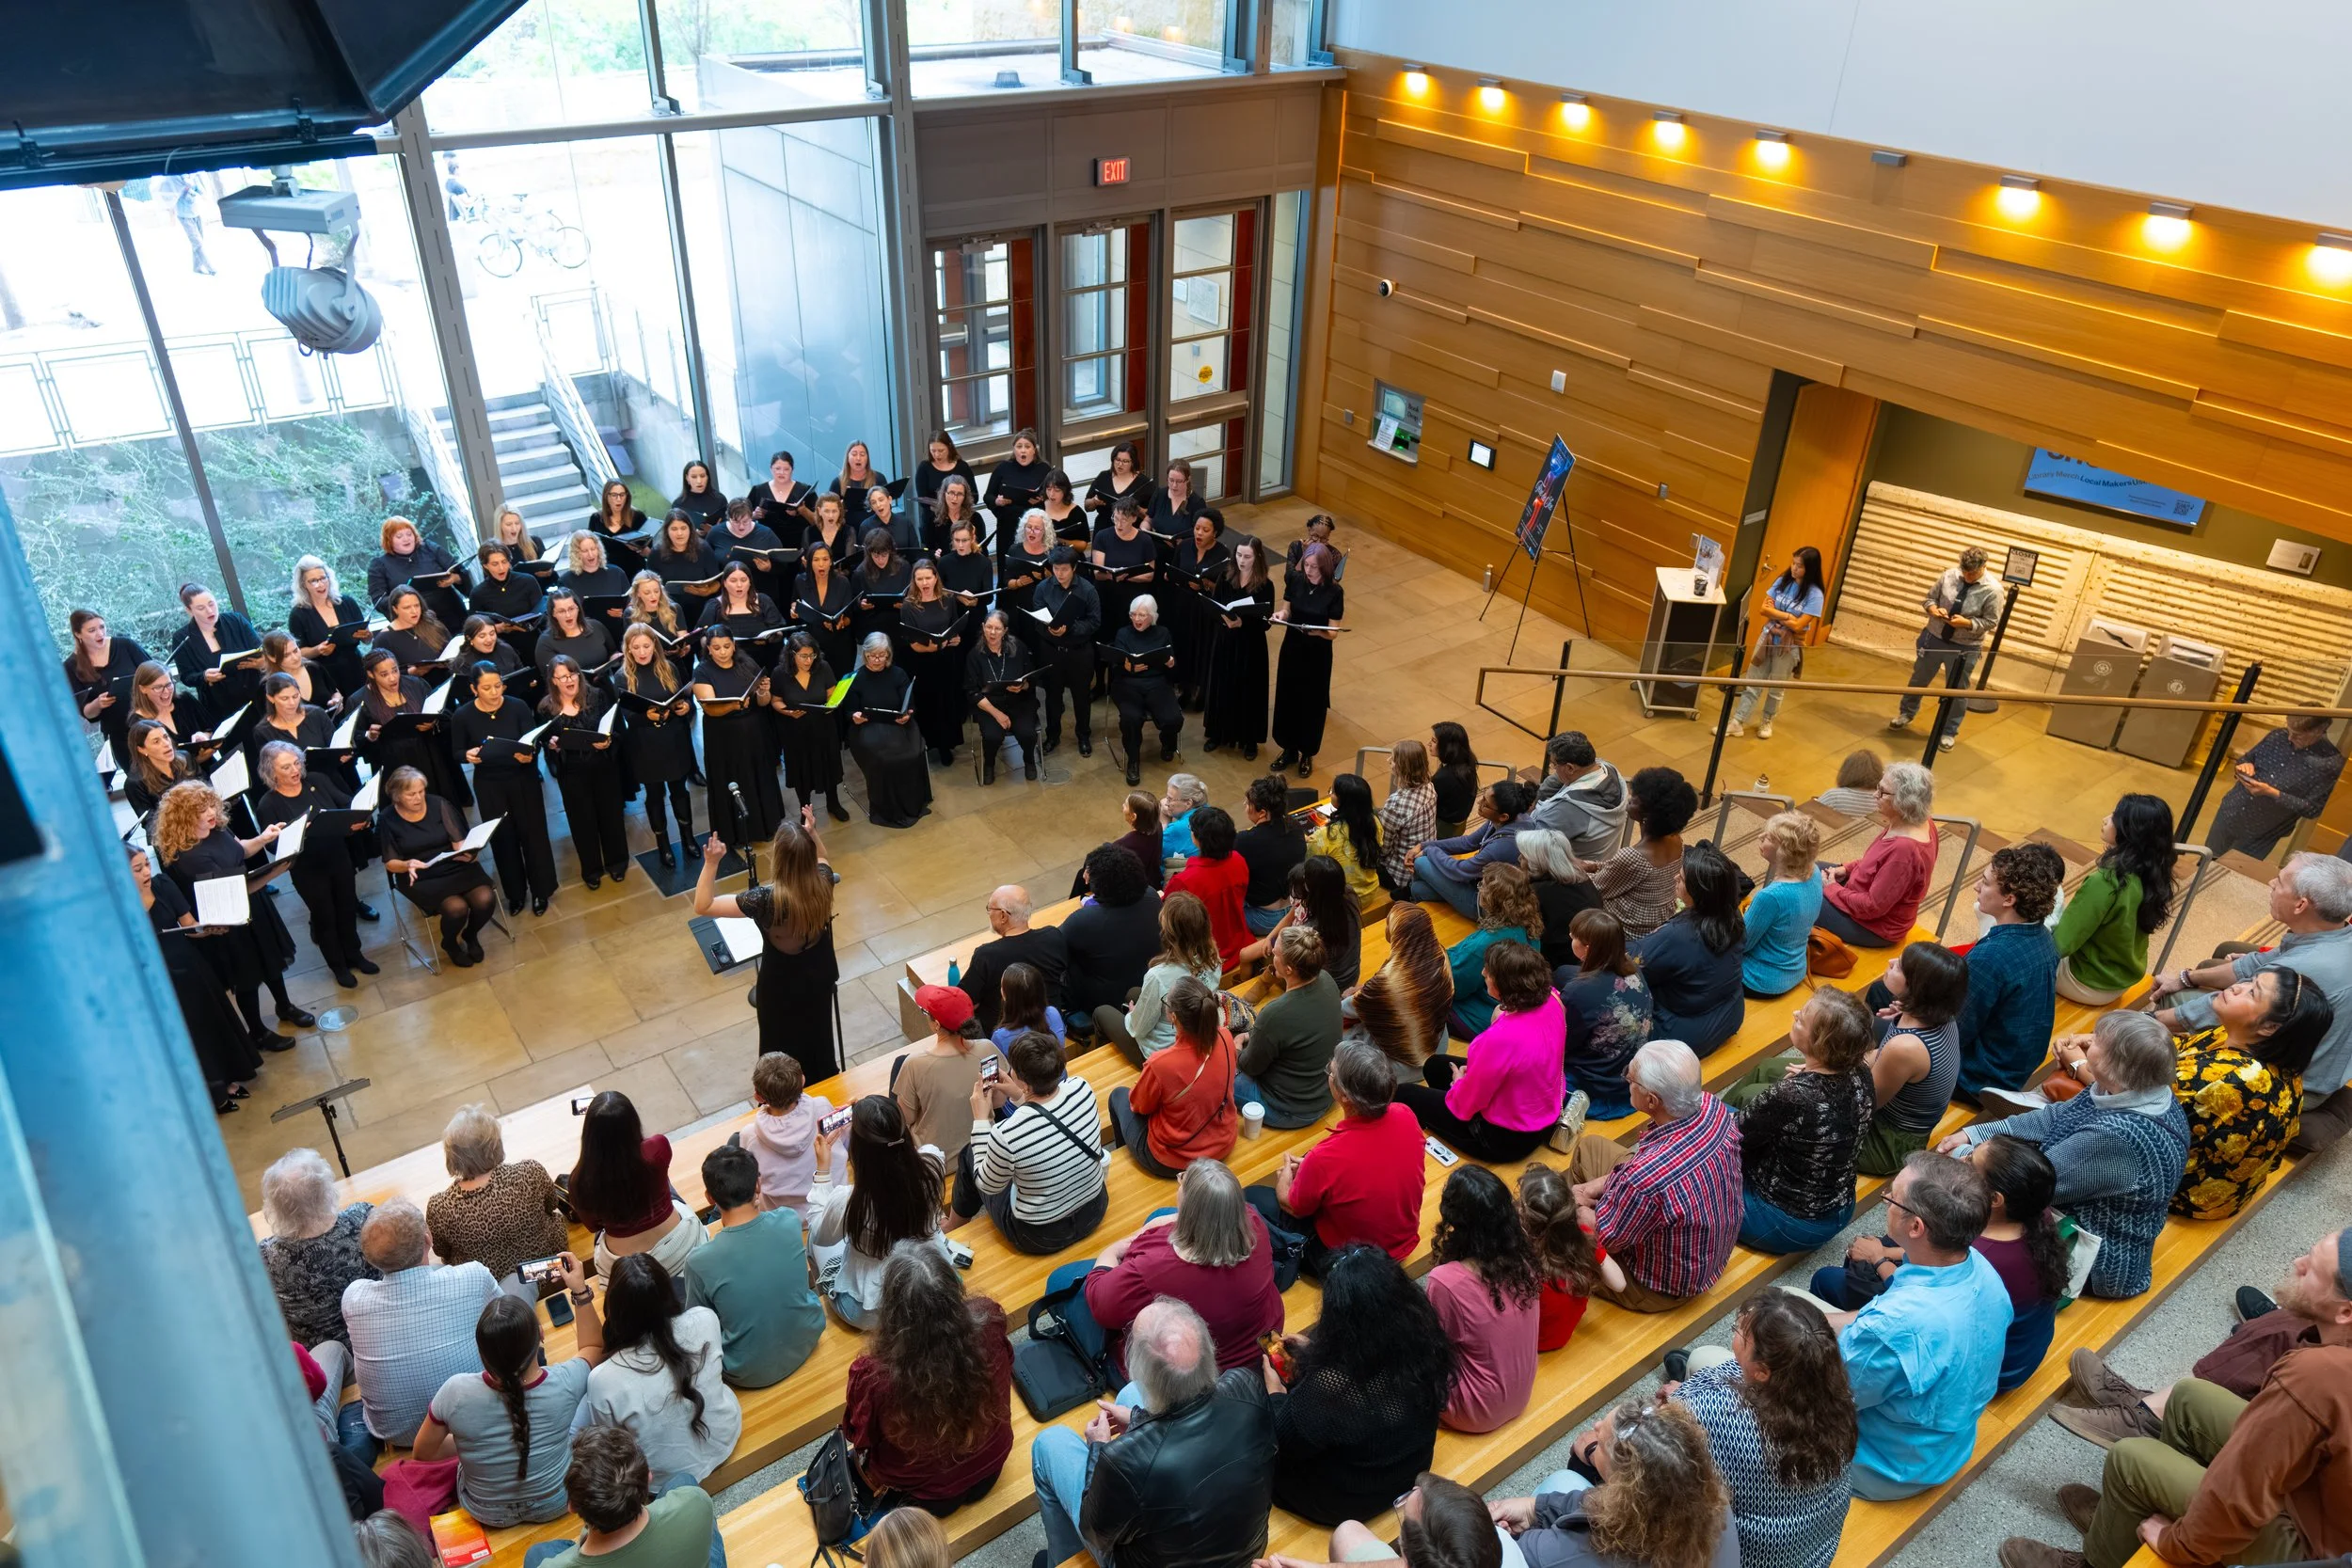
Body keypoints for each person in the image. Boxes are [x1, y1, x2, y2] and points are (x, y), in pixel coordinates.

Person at [1995, 1227, 2352, 1568]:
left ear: (2345, 1312)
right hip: (2315, 1500)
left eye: (2312, 1269)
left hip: (2313, 1552)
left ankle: (2101, 1559)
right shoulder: (2331, 1356)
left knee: (2132, 1458)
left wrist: (2175, 1542)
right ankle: (2124, 1519)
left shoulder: (2314, 1376)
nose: (2297, 1264)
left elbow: (2240, 1502)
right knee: (2189, 1398)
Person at [1945, 1010, 2187, 1297]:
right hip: (2068, 1181)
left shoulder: (2113, 1137)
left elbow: (2032, 1189)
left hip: (2095, 1259)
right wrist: (1976, 1133)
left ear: (2113, 1064)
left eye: (2099, 1040)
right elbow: (2055, 1117)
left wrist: (1967, 1154)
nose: (2089, 1041)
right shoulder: (2136, 1090)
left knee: (1954, 1188)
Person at [1819, 1151, 2010, 1501]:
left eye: (1891, 1196)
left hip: (1882, 1466)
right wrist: (1815, 1324)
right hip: (1942, 1448)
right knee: (1796, 1306)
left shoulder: (1896, 1326)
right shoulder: (1981, 1270)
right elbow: (1875, 1324)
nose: (1886, 1202)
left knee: (1712, 1368)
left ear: (1916, 1227)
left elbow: (1831, 1399)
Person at [1028, 1298, 1277, 1568]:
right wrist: (1139, 1419)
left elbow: (1094, 1533)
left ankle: (1058, 1562)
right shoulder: (1247, 1385)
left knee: (1049, 1443)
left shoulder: (1120, 1460)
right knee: (1130, 1394)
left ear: (1138, 1368)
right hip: (1245, 1552)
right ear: (1209, 1348)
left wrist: (1099, 1450)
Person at [1817, 1135, 2068, 1397]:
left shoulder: (1983, 1257)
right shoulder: (2031, 1214)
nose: (1961, 1160)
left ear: (1995, 1199)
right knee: (1889, 1241)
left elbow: (1923, 1295)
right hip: (2014, 1348)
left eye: (1971, 1163)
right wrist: (1886, 1250)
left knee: (1828, 1280)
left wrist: (1878, 1258)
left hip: (1996, 1369)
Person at [2153, 851, 2352, 1156]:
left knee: (2175, 1004)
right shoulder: (2337, 933)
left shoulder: (2308, 969)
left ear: (2301, 905)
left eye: (2282, 881)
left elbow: (2216, 1009)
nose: (2272, 882)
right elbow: (2260, 963)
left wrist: (2152, 1020)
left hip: (2299, 1079)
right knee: (2218, 961)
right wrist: (2186, 976)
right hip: (2316, 1054)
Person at [1265, 1243, 1454, 1527]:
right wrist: (1315, 1350)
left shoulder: (1331, 1385)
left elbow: (1284, 1442)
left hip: (1344, 1502)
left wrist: (1275, 1394)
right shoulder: (1424, 1342)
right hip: (1410, 1470)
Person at [1661, 1294, 1856, 1568]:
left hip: (1749, 1558)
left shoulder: (1718, 1413)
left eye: (1740, 1333)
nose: (1737, 1330)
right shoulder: (1839, 1396)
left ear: (1763, 1372)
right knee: (1702, 1358)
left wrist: (1679, 1396)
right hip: (1815, 1554)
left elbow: (1658, 1434)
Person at [402, 1279, 604, 1528]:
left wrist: (471, 1440)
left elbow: (423, 1453)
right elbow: (594, 1346)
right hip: (556, 1502)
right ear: (541, 1335)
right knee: (589, 1397)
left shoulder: (454, 1392)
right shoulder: (566, 1381)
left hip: (485, 1510)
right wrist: (581, 1293)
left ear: (480, 1352)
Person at [1061, 1159, 1283, 1380]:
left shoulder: (1153, 1269)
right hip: (1258, 1346)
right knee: (1158, 1215)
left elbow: (1102, 1307)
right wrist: (1156, 1225)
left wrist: (1111, 1250)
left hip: (1193, 1377)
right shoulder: (1254, 1223)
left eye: (1181, 1182)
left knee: (1061, 1280)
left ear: (1189, 1208)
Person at [841, 1242, 1015, 1516]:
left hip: (927, 1495)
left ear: (891, 1310)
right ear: (954, 1289)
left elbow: (859, 1436)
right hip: (991, 1465)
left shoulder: (875, 1376)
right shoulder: (990, 1320)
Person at [1568, 1040, 1743, 1311]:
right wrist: (1595, 1186)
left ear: (1652, 1100)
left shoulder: (1643, 1180)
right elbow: (1648, 1168)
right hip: (1710, 1258)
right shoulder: (1712, 1107)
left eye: (1631, 1079)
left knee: (1562, 1232)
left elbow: (1608, 1240)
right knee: (1592, 1148)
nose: (1627, 1079)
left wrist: (1577, 1208)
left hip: (1661, 1286)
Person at [1248, 1040, 1426, 1276]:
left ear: (1344, 1096)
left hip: (1348, 1264)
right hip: (1399, 1247)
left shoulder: (1325, 1157)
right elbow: (1367, 1170)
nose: (1329, 1074)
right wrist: (1312, 1170)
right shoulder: (1405, 1115)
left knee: (1251, 1196)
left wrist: (1284, 1178)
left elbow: (1293, 1206)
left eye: (1331, 1073)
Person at [151, 782, 312, 1041]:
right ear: (183, 816)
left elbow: (241, 849)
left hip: (253, 901)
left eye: (209, 805)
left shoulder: (217, 828)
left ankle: (285, 1006)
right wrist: (277, 870)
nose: (210, 812)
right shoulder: (189, 856)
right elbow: (235, 888)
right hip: (229, 913)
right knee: (247, 975)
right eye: (201, 810)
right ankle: (257, 1032)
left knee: (270, 959)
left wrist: (264, 838)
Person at [1492, 1400, 1738, 1568]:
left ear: (1624, 1485)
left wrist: (1498, 1534)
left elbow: (1512, 1554)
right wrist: (1533, 1508)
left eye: (1599, 1443)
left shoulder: (1574, 1553)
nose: (1596, 1427)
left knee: (1560, 1480)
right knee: (1563, 1484)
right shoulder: (1712, 1501)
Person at [2169, 968, 2330, 1219]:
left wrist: (2083, 1062)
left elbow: (2133, 1101)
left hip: (2192, 1193)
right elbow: (2178, 1049)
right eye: (2249, 982)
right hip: (2229, 1177)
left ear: (2269, 1026)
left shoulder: (2229, 1080)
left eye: (2253, 993)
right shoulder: (2250, 1040)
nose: (2237, 987)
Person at [692, 813, 842, 1083]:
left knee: (779, 1046)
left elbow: (703, 904)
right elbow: (823, 858)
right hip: (819, 972)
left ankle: (780, 1092)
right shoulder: (824, 880)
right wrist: (813, 833)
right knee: (818, 1035)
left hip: (781, 985)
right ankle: (824, 1082)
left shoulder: (763, 900)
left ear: (779, 859)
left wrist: (711, 862)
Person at [1730, 989, 1879, 1254]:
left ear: (1821, 1043)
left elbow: (1732, 1137)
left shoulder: (1792, 1096)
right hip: (1840, 1205)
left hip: (1788, 1221)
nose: (1795, 1014)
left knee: (1694, 1175)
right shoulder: (1861, 1071)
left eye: (1802, 1020)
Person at [341, 1200, 500, 1445]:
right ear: (428, 1240)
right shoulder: (473, 1277)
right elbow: (508, 1318)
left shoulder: (353, 1298)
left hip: (397, 1436)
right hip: (475, 1421)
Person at [578, 1252, 741, 1486]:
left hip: (663, 1478)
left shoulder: (603, 1380)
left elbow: (615, 1443)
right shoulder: (705, 1318)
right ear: (668, 1291)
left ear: (614, 1308)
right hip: (725, 1434)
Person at [1400, 941, 1565, 1162]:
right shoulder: (1553, 999)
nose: (1483, 972)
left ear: (1504, 985)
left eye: (1489, 973)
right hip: (1541, 1111)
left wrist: (1459, 1084)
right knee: (1435, 1066)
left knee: (1404, 1093)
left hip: (1503, 1138)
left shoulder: (1498, 1039)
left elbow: (1466, 1104)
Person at [954, 1027, 1111, 1252]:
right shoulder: (1081, 1088)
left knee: (970, 1154)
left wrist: (981, 1120)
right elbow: (1047, 1114)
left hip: (1040, 1236)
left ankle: (953, 1226)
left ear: (1025, 1082)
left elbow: (987, 1184)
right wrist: (1018, 1094)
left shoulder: (1006, 1133)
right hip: (1094, 1209)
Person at [681, 1145, 823, 1389]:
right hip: (808, 1337)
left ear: (710, 1198)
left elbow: (699, 1326)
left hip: (745, 1371)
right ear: (758, 1185)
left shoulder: (699, 1261)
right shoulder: (788, 1220)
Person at [807, 1096, 953, 1329]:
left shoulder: (849, 1200)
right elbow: (914, 1153)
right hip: (933, 1284)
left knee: (815, 1236)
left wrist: (823, 1170)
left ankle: (820, 1298)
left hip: (871, 1312)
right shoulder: (933, 1165)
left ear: (858, 1151)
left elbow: (821, 1233)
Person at [1427, 1164, 1545, 1433]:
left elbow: (1431, 1348)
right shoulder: (1524, 1257)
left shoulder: (1446, 1282)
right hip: (1519, 1395)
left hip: (1474, 1410)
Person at [251, 739, 373, 989]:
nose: (295, 771)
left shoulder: (317, 780)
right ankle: (338, 965)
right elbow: (273, 846)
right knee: (325, 916)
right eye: (286, 767)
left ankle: (355, 954)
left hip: (338, 855)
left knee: (348, 907)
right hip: (307, 869)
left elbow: (347, 803)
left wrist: (361, 818)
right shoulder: (268, 804)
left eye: (296, 763)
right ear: (271, 772)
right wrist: (297, 833)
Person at [520, 1425, 723, 1568]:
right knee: (684, 1480)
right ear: (648, 1478)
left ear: (571, 1506)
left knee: (536, 1555)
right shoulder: (696, 1502)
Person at [1952, 844, 2065, 1100]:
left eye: (1984, 882)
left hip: (1978, 1077)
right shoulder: (2043, 936)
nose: (1976, 887)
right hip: (2013, 1069)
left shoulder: (1990, 957)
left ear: (2009, 899)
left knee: (1881, 1016)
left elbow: (1953, 1031)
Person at [448, 661, 559, 916]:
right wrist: (468, 754)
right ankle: (516, 894)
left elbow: (533, 741)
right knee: (503, 839)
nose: (494, 692)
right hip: (490, 784)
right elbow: (456, 752)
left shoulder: (518, 706)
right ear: (474, 689)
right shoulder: (463, 715)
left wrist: (529, 755)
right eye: (487, 688)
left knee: (534, 835)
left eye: (498, 685)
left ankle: (541, 891)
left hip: (522, 779)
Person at [1849, 939, 1968, 1174]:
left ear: (1917, 987)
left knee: (1772, 1100)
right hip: (1888, 1116)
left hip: (1887, 1142)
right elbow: (1877, 1057)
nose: (1891, 962)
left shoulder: (1905, 1048)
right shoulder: (1939, 1016)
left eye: (1900, 966)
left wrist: (1818, 1075)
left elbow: (1861, 1105)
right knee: (1772, 1072)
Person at [425, 1104, 567, 1289]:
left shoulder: (440, 1207)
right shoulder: (530, 1172)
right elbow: (551, 1204)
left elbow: (441, 1250)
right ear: (495, 1145)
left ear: (453, 1156)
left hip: (488, 1286)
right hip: (544, 1270)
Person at [568, 1090, 707, 1280]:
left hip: (625, 1270)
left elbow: (593, 1226)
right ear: (633, 1122)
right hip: (682, 1244)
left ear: (590, 1134)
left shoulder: (579, 1181)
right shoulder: (658, 1147)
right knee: (662, 1179)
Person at [1109, 976, 1239, 1178]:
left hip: (1175, 1160)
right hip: (1222, 1144)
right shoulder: (1225, 1037)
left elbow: (1138, 1106)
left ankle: (1126, 1167)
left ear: (1174, 1018)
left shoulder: (1161, 1063)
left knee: (1118, 1096)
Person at [2056, 794, 2179, 1005]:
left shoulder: (2105, 882)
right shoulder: (2152, 872)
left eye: (2115, 816)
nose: (2106, 819)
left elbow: (2060, 945)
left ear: (2130, 830)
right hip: (2118, 981)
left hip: (2084, 981)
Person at [374, 765, 498, 966]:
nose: (418, 797)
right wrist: (407, 864)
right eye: (411, 794)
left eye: (421, 791)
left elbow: (458, 842)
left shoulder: (438, 804)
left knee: (485, 899)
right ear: (397, 796)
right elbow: (391, 863)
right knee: (456, 908)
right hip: (419, 874)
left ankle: (470, 934)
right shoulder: (388, 818)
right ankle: (450, 943)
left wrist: (468, 853)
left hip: (453, 863)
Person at [1630, 844, 1746, 1056]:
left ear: (1698, 893)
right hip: (1729, 1013)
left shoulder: (1678, 935)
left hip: (1683, 1034)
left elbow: (1630, 964)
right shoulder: (1732, 917)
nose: (1675, 878)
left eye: (1682, 878)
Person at [1888, 546, 2002, 752]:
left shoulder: (1993, 590)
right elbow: (1929, 599)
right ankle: (1906, 713)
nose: (1967, 576)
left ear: (1984, 567)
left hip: (1965, 646)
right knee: (1918, 679)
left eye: (1973, 573)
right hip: (1934, 637)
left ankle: (1949, 731)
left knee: (1957, 691)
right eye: (1965, 571)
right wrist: (1933, 609)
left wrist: (1967, 624)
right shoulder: (1949, 575)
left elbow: (1991, 621)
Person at [260, 1148, 378, 1347]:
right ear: (326, 1189)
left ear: (276, 1207)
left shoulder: (266, 1256)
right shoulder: (364, 1218)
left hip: (320, 1358)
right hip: (377, 1339)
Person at [1817, 760, 1937, 947]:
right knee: (1808, 868)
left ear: (1903, 802)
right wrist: (1846, 869)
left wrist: (1832, 888)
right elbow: (1876, 863)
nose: (1875, 795)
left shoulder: (1904, 849)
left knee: (1800, 896)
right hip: (1860, 899)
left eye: (1882, 792)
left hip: (1871, 927)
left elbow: (1872, 907)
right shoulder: (1918, 821)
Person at [1095, 889, 1223, 1064]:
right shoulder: (1213, 957)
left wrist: (1133, 1015)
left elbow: (1138, 1029)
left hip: (1162, 1054)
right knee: (1134, 992)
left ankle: (1103, 1068)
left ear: (1169, 934)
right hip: (1195, 1029)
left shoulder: (1159, 976)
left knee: (1101, 1012)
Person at [1235, 926, 1344, 1126]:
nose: (1271, 956)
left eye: (1275, 954)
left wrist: (1236, 1046)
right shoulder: (1327, 981)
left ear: (1288, 969)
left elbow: (1250, 1066)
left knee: (1221, 1070)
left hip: (1288, 1109)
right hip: (1326, 1093)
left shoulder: (1275, 1013)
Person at [537, 653, 629, 890]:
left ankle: (617, 861)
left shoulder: (597, 696)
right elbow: (545, 742)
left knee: (610, 815)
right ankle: (591, 869)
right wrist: (553, 745)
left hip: (603, 765)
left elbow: (614, 728)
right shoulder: (546, 708)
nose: (569, 680)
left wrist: (607, 741)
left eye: (572, 674)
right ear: (553, 681)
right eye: (562, 677)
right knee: (582, 821)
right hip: (573, 772)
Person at [2204, 713, 2347, 862]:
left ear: (2318, 731)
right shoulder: (2278, 736)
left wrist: (2272, 793)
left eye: (2297, 735)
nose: (2290, 738)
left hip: (2262, 832)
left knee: (2232, 873)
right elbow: (2246, 758)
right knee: (2206, 860)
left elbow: (2312, 809)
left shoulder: (2330, 763)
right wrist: (2244, 765)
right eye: (2289, 730)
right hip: (2230, 811)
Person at [613, 624, 701, 863]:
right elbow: (626, 714)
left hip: (673, 738)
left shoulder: (669, 667)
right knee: (654, 795)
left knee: (679, 791)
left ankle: (688, 838)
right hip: (644, 744)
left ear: (654, 645)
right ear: (628, 650)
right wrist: (645, 717)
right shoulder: (623, 676)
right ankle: (663, 845)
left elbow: (683, 698)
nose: (642, 652)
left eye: (646, 646)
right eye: (636, 647)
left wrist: (685, 707)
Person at [1553, 910, 1652, 1121]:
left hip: (1600, 1082)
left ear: (1587, 948)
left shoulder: (1578, 991)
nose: (1570, 940)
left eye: (1573, 938)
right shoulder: (1633, 969)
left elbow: (1563, 1043)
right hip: (1631, 1074)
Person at [1586, 767, 1695, 940]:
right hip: (1658, 922)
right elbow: (1624, 873)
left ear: (1649, 815)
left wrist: (1568, 865)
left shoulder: (1634, 856)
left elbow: (1593, 889)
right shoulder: (1676, 840)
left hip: (1627, 931)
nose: (1630, 799)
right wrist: (1595, 866)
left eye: (1636, 799)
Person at [892, 984, 996, 1164]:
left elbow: (906, 1117)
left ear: (936, 1025)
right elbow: (999, 1100)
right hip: (985, 1153)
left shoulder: (913, 1064)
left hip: (936, 1162)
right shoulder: (988, 1048)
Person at [1728, 546, 1825, 739]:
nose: (1794, 569)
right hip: (1767, 638)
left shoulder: (1815, 595)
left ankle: (1767, 721)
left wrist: (1779, 615)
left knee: (1776, 687)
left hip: (1788, 647)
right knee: (1752, 681)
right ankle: (1737, 721)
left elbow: (1799, 626)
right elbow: (1764, 609)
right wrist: (1788, 616)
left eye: (1799, 566)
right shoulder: (1782, 580)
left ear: (1810, 569)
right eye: (1793, 563)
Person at [1060, 844, 1163, 1025]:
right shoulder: (1152, 897)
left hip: (1103, 1002)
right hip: (1149, 986)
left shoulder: (1083, 921)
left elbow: (1053, 948)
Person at [1352, 902, 1455, 1082]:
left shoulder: (1390, 980)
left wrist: (1352, 995)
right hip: (1438, 1045)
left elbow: (1350, 1007)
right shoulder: (1441, 956)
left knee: (1346, 1033)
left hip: (1402, 1064)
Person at [1409, 779, 1537, 922]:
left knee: (1421, 862)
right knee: (1417, 889)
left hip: (1485, 905)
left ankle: (1419, 922)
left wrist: (1430, 851)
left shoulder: (1501, 847)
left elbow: (1460, 871)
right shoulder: (1513, 816)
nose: (1479, 803)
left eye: (1485, 804)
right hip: (1480, 885)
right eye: (1483, 797)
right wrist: (1424, 845)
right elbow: (1468, 842)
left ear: (1503, 816)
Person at [842, 632, 932, 828]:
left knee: (911, 753)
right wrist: (855, 717)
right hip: (868, 728)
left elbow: (910, 705)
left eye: (882, 655)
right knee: (885, 759)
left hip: (897, 726)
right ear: (865, 654)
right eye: (872, 655)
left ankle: (912, 802)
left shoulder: (898, 674)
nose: (877, 660)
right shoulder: (854, 678)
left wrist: (908, 714)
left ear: (888, 654)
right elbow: (850, 711)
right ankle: (887, 809)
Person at [738, 1052, 843, 1217]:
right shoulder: (822, 1107)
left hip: (786, 1221)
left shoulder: (749, 1136)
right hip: (832, 1208)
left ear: (758, 1096)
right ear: (802, 1080)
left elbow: (751, 1183)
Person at [1272, 540, 1345, 777]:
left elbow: (1333, 632)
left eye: (1314, 567)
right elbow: (1286, 609)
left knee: (1311, 702)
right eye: (1307, 566)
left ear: (1324, 567)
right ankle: (1288, 748)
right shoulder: (1295, 580)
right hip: (1293, 646)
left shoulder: (1334, 592)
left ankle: (1307, 753)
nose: (1309, 571)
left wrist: (1318, 631)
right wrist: (1280, 615)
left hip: (1318, 653)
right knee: (1288, 696)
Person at [1445, 863, 1541, 1037]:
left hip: (1477, 1017)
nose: (1480, 889)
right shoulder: (1529, 925)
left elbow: (1453, 987)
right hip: (1510, 1013)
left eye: (1483, 885)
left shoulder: (1488, 942)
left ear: (1493, 898)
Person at [956, 884, 1068, 1034]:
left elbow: (965, 1001)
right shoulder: (1053, 936)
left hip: (1004, 1036)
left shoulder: (987, 955)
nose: (989, 914)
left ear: (1003, 916)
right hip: (1050, 1027)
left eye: (990, 909)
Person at [1202, 536, 1275, 757]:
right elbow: (1214, 607)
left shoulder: (1265, 585)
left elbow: (1266, 621)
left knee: (1249, 691)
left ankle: (1249, 739)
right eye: (1239, 555)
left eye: (1247, 556)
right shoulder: (1225, 577)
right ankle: (1217, 733)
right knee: (1221, 686)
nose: (1242, 560)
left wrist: (1243, 622)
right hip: (1226, 640)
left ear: (1258, 557)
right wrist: (1224, 619)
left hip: (1250, 645)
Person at [1742, 813, 1825, 999]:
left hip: (1759, 980)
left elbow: (1741, 944)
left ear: (1785, 851)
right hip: (1796, 969)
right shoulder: (1815, 872)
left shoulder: (1771, 896)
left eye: (1769, 838)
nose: (1760, 838)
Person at [1107, 594, 1183, 786]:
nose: (1137, 619)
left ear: (1152, 616)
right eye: (1134, 614)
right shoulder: (1123, 634)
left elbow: (1171, 662)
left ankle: (1168, 742)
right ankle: (1133, 759)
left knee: (1173, 719)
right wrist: (1127, 667)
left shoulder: (1163, 633)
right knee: (1131, 718)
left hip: (1156, 683)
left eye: (1142, 615)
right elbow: (1115, 664)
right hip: (1127, 685)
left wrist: (1170, 662)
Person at [1034, 546, 1102, 756]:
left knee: (1081, 697)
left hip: (1079, 652)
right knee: (1053, 697)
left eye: (1064, 569)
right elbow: (1037, 620)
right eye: (1055, 569)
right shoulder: (1043, 588)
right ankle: (1053, 735)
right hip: (1052, 650)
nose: (1059, 574)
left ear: (1074, 568)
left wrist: (1070, 628)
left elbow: (1095, 622)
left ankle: (1083, 736)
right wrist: (1051, 629)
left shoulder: (1088, 589)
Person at [1165, 804, 1252, 967]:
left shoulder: (1184, 882)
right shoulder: (1238, 860)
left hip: (1207, 957)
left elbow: (1170, 921)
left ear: (1197, 839)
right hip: (1241, 942)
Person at [170, 581, 265, 726]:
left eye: (212, 604)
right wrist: (204, 676)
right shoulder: (182, 637)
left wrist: (262, 662)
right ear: (189, 611)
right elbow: (186, 676)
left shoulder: (236, 620)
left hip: (255, 694)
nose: (210, 611)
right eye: (201, 608)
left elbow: (259, 649)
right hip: (219, 706)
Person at [964, 609, 1040, 783]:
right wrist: (997, 714)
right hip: (989, 705)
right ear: (983, 627)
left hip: (1019, 701)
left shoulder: (1018, 647)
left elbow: (1031, 677)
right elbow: (972, 692)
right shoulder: (974, 655)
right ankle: (989, 764)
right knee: (992, 736)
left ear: (1005, 631)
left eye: (997, 628)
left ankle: (1029, 760)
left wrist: (1023, 686)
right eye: (989, 627)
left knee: (1027, 733)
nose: (992, 632)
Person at [1532, 731, 1629, 862]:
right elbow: (1557, 780)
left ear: (1570, 768)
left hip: (1570, 874)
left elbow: (1532, 846)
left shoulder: (1566, 811)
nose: (1553, 768)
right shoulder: (1608, 770)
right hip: (1600, 861)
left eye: (1554, 765)